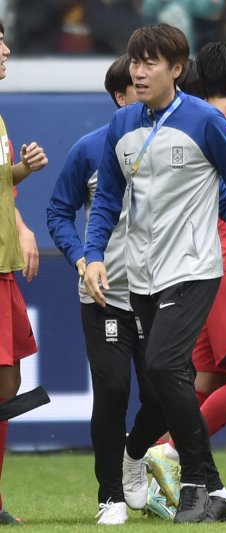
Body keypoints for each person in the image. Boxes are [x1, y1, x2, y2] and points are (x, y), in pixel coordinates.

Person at [82, 23, 226, 524]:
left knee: (162, 367)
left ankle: (192, 480)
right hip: (141, 276)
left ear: (177, 69)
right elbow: (106, 197)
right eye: (135, 62)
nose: (140, 71)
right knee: (168, 374)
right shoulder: (121, 125)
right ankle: (215, 491)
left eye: (152, 62)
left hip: (195, 268)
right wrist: (93, 255)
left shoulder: (204, 121)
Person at [46, 55, 144, 526]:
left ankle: (136, 452)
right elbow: (59, 211)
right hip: (104, 293)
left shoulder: (176, 143)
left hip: (162, 290)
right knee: (112, 388)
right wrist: (83, 259)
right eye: (136, 87)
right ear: (120, 98)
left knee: (167, 390)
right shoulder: (89, 148)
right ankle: (111, 496)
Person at [0, 19, 49, 525]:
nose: (8, 49)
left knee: (7, 381)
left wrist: (23, 173)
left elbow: (0, 185)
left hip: (3, 268)